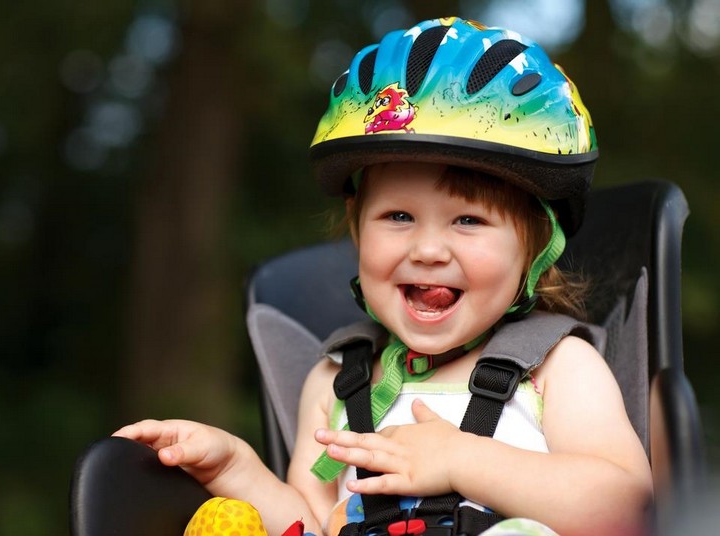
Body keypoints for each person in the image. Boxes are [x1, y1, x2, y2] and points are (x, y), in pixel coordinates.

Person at [114, 17, 653, 536]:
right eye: (398, 217)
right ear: (356, 228)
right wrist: (237, 472)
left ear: (535, 246)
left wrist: (464, 461)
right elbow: (314, 522)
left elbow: (625, 505)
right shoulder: (337, 382)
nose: (428, 249)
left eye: (469, 220)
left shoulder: (557, 368)